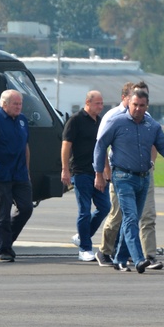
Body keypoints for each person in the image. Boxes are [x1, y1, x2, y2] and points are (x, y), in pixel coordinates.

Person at [94, 89, 164, 273]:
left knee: (135, 218)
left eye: (142, 105)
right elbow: (101, 145)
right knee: (131, 218)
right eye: (135, 105)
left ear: (146, 106)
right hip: (122, 177)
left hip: (143, 178)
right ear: (129, 103)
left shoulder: (152, 125)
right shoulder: (116, 122)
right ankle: (138, 259)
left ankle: (119, 258)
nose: (138, 108)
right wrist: (99, 173)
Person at [0, 89, 33, 262]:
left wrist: (27, 170)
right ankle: (3, 250)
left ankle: (5, 239)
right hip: (0, 174)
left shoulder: (22, 120)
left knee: (26, 208)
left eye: (20, 104)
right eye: (15, 104)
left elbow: (25, 146)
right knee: (3, 211)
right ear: (4, 104)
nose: (19, 107)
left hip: (20, 174)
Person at [62, 90, 112, 262]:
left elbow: (103, 147)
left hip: (97, 172)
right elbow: (66, 146)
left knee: (105, 206)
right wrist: (65, 169)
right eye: (98, 103)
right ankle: (84, 248)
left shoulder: (100, 122)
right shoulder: (75, 120)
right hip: (80, 171)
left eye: (101, 103)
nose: (101, 106)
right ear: (88, 102)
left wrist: (107, 169)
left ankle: (82, 236)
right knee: (84, 210)